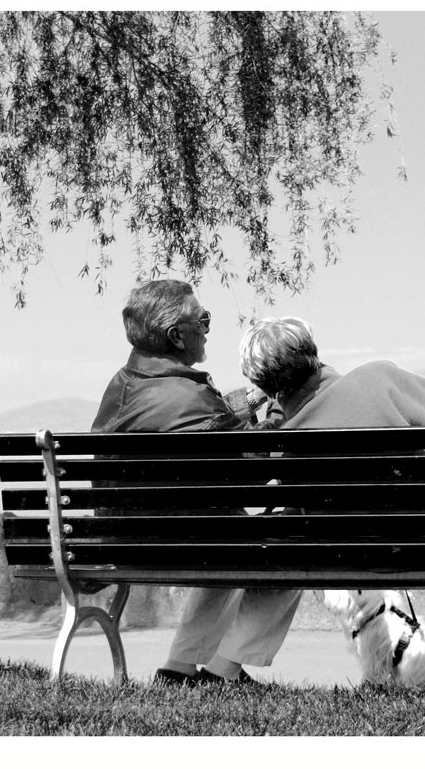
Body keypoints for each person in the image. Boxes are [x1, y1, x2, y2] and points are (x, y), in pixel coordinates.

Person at [237, 316, 425, 692]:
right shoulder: (378, 379)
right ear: (312, 351)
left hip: (351, 562)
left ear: (265, 386)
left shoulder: (288, 443)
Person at [91, 279, 301, 686]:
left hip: (124, 538)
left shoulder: (125, 384)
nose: (207, 328)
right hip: (177, 540)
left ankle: (179, 669)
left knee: (227, 531)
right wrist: (278, 409)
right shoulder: (189, 398)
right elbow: (254, 468)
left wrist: (241, 405)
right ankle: (224, 671)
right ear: (176, 335)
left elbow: (203, 428)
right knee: (295, 544)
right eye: (202, 319)